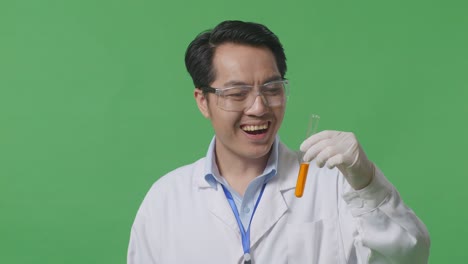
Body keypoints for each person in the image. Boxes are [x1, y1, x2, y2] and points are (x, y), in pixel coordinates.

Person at [127, 20, 430, 264]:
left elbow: (410, 257)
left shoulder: (334, 185)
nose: (259, 107)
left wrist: (366, 182)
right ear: (203, 101)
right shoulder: (166, 200)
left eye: (272, 88)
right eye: (236, 94)